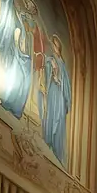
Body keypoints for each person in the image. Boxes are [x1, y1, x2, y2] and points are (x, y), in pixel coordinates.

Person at [43, 34, 71, 165]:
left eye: (54, 44)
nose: (53, 47)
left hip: (59, 93)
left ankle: (56, 147)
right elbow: (47, 70)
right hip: (53, 91)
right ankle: (49, 140)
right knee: (51, 113)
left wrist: (58, 80)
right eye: (52, 44)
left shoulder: (62, 63)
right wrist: (50, 65)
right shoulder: (51, 59)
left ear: (58, 47)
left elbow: (65, 81)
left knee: (58, 117)